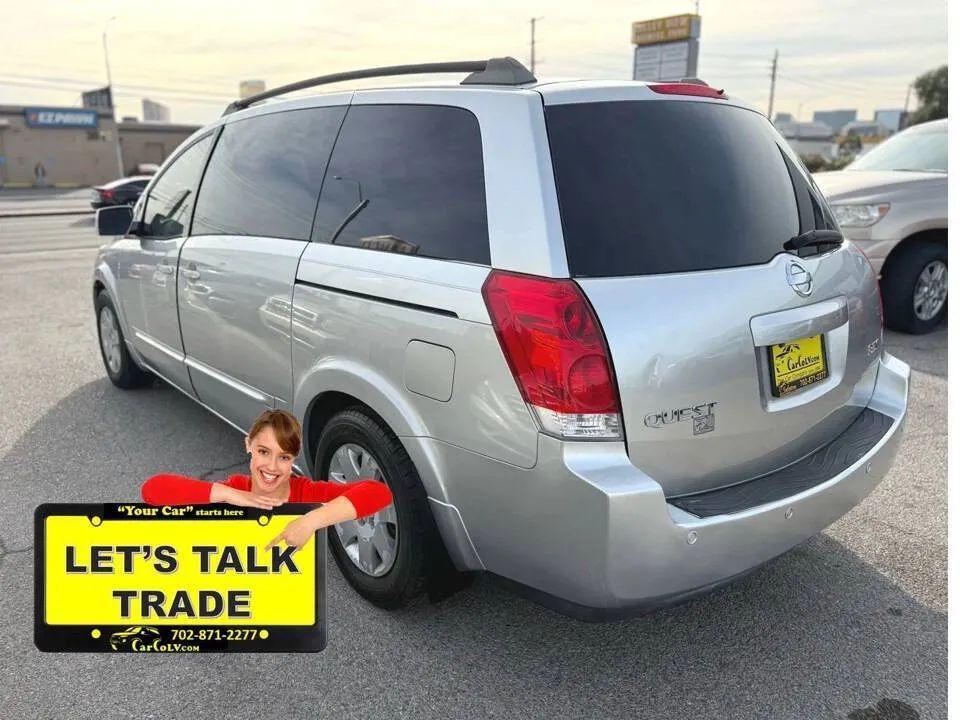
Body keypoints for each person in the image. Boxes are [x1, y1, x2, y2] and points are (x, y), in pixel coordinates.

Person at [141, 409, 393, 550]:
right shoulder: (235, 490)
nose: (272, 467)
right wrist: (228, 494)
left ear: (293, 459)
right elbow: (153, 490)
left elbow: (377, 492)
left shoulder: (305, 493)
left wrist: (310, 521)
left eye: (283, 457)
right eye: (263, 452)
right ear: (248, 446)